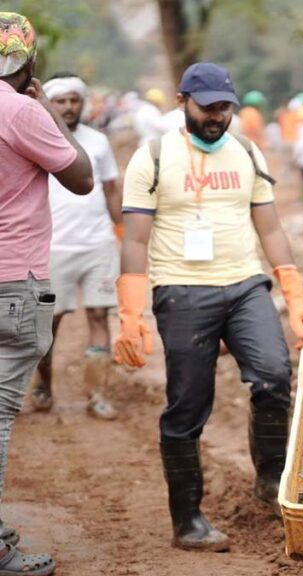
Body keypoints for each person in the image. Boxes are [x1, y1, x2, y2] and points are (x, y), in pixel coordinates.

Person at [115, 62, 303, 552]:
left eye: (224, 107)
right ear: (183, 101)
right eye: (207, 107)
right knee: (188, 406)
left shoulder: (247, 151)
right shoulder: (154, 158)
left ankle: (271, 480)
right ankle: (187, 519)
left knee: (273, 375)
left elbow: (269, 228)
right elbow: (136, 240)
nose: (217, 116)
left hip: (245, 285)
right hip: (182, 290)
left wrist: (293, 290)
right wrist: (131, 312)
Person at [0, 12, 95, 575]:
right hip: (15, 281)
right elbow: (80, 177)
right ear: (29, 62)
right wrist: (48, 117)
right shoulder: (21, 111)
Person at [30, 73, 122, 420]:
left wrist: (122, 231)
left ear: (83, 102)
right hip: (53, 247)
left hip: (98, 243)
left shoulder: (98, 141)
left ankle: (96, 394)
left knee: (99, 315)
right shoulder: (37, 138)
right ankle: (44, 383)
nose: (68, 107)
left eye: (74, 100)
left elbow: (111, 189)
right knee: (48, 324)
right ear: (48, 102)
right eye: (61, 100)